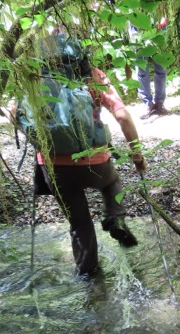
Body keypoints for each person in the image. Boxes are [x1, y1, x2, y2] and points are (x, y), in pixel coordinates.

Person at [21, 33, 148, 278]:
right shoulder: (93, 75)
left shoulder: (34, 80)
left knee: (79, 224)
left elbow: (18, 115)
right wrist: (137, 156)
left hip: (54, 165)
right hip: (95, 161)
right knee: (112, 183)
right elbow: (122, 116)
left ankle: (89, 279)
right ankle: (115, 217)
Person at [134, 0, 169, 119]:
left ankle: (159, 102)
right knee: (142, 68)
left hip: (160, 25)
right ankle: (147, 104)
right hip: (137, 25)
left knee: (161, 66)